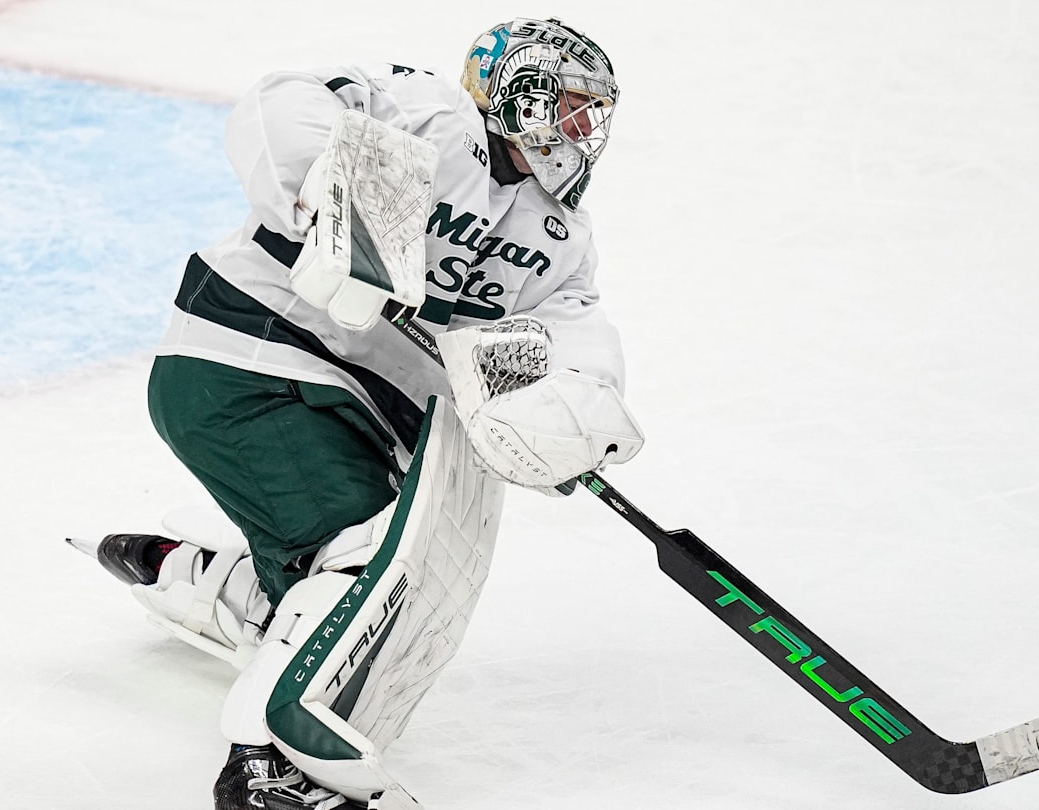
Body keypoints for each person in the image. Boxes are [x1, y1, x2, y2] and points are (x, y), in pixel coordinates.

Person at [87, 17, 644, 810]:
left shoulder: (563, 238)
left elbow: (570, 341)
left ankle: (210, 577)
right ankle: (269, 764)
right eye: (572, 104)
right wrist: (329, 187)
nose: (585, 129)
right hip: (253, 357)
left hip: (359, 417)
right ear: (518, 92)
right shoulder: (426, 115)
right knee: (363, 562)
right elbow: (277, 103)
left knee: (384, 583)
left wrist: (566, 414)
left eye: (597, 112)